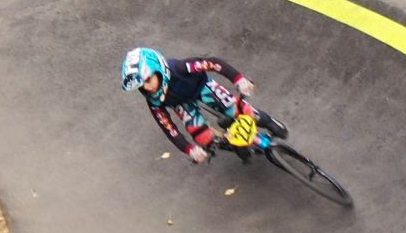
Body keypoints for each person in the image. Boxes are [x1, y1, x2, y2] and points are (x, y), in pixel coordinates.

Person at [119, 47, 286, 163]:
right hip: (182, 104)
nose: (147, 88)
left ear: (158, 69)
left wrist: (238, 79)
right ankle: (233, 143)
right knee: (203, 138)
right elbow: (168, 128)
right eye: (141, 86)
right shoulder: (153, 101)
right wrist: (189, 149)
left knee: (240, 110)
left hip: (202, 87)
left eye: (148, 80)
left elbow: (212, 63)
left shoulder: (178, 68)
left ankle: (269, 121)